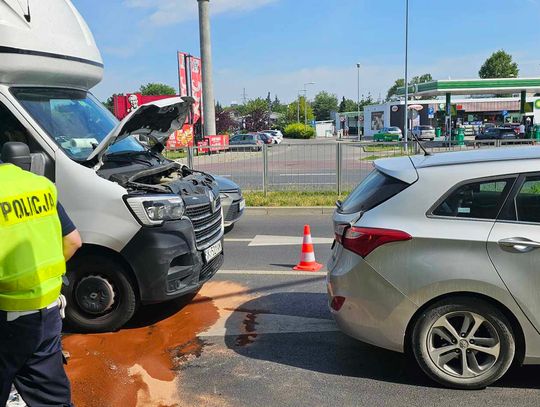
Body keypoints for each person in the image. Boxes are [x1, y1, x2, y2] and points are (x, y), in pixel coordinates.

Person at [0, 159, 82, 407]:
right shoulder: (40, 185)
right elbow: (73, 241)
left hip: (6, 316)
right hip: (48, 313)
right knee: (51, 399)